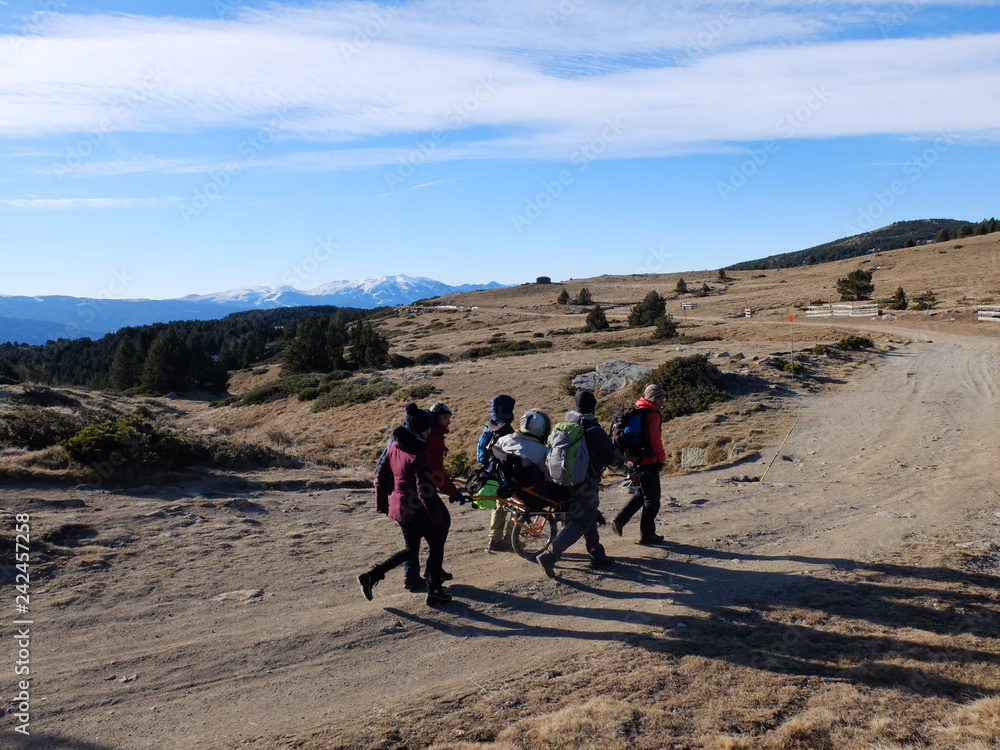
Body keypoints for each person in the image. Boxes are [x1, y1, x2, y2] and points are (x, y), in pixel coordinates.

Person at [359, 403, 453, 606]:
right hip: (417, 508)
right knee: (437, 543)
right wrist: (437, 517)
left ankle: (371, 576)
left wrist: (381, 503)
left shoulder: (394, 445)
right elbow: (424, 491)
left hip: (400, 506)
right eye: (429, 429)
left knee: (410, 549)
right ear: (424, 429)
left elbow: (380, 474)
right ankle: (435, 589)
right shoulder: (420, 454)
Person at [535, 391, 625, 577]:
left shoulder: (567, 425)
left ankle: (596, 553)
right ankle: (550, 555)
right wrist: (627, 467)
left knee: (588, 514)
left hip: (564, 480)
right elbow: (613, 457)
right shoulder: (593, 429)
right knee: (582, 520)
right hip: (585, 481)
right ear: (594, 406)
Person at [610, 383, 667, 544]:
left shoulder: (638, 410)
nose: (663, 402)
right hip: (648, 461)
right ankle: (648, 534)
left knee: (642, 493)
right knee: (653, 499)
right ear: (654, 399)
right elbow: (655, 441)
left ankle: (620, 519)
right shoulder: (652, 414)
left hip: (633, 460)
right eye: (660, 398)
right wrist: (661, 459)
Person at [477, 394, 516, 552]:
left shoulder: (489, 425)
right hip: (504, 473)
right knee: (517, 505)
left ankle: (494, 539)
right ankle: (510, 538)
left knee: (499, 506)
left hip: (491, 473)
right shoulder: (505, 429)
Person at [492, 410, 551, 485]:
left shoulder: (503, 439)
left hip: (506, 484)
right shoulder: (542, 451)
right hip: (532, 491)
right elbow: (549, 477)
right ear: (542, 429)